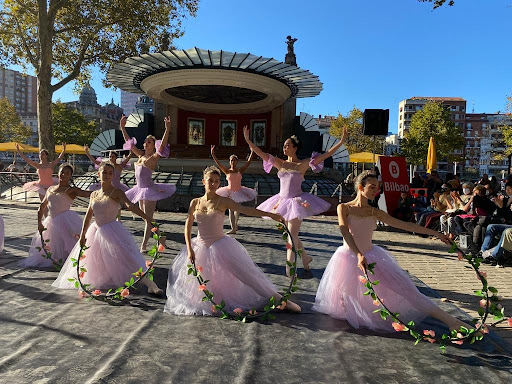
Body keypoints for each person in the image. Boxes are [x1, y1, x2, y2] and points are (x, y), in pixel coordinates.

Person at [312, 171, 470, 333]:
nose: (376, 191)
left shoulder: (374, 212)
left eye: (377, 188)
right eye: (372, 187)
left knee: (407, 290)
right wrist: (358, 254)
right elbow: (344, 231)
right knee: (347, 300)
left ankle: (452, 321)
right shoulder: (344, 208)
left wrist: (436, 233)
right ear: (360, 187)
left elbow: (405, 225)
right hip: (347, 258)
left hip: (372, 257)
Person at [164, 166, 301, 315]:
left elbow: (247, 210)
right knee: (203, 279)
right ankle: (211, 301)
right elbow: (188, 226)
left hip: (220, 244)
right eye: (210, 181)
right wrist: (190, 248)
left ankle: (280, 299)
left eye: (217, 181)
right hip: (200, 245)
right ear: (203, 181)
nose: (214, 184)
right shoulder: (195, 202)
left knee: (246, 274)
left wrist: (271, 215)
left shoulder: (223, 201)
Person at [243, 126, 347, 276]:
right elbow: (262, 154)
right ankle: (305, 258)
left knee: (291, 237)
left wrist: (341, 141)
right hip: (281, 202)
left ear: (295, 148)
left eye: (287, 145)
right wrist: (248, 141)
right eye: (284, 145)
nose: (284, 147)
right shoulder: (280, 163)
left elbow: (327, 154)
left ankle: (290, 270)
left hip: (297, 203)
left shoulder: (303, 164)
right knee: (292, 235)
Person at [52, 162, 162, 294]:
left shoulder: (117, 192)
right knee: (95, 260)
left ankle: (151, 285)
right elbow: (88, 216)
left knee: (127, 257)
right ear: (99, 174)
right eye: (104, 172)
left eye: (110, 173)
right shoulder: (94, 194)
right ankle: (101, 280)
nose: (107, 175)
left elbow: (130, 206)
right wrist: (82, 235)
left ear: (113, 176)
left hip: (112, 231)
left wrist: (148, 218)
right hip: (95, 231)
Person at [19, 164, 91, 268]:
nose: (63, 175)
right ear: (58, 173)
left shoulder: (72, 190)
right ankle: (56, 260)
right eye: (62, 172)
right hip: (51, 220)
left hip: (66, 220)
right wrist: (39, 223)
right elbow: (42, 207)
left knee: (67, 243)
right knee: (51, 245)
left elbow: (87, 194)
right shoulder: (51, 189)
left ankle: (69, 261)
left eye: (67, 173)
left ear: (70, 176)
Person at [121, 115, 176, 252]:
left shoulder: (153, 158)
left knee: (148, 218)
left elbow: (162, 145)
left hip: (149, 190)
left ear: (153, 145)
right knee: (146, 218)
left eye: (149, 142)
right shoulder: (140, 155)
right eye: (145, 141)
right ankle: (161, 237)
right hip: (139, 189)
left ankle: (144, 245)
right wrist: (122, 127)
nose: (146, 143)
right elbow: (129, 142)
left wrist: (167, 129)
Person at [211, 146, 256, 234]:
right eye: (231, 160)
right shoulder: (227, 171)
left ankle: (235, 225)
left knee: (238, 209)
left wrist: (252, 152)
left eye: (234, 160)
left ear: (237, 162)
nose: (233, 162)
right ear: (229, 162)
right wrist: (213, 154)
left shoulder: (240, 170)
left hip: (239, 191)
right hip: (229, 192)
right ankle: (233, 228)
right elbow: (218, 164)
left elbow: (248, 162)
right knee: (231, 210)